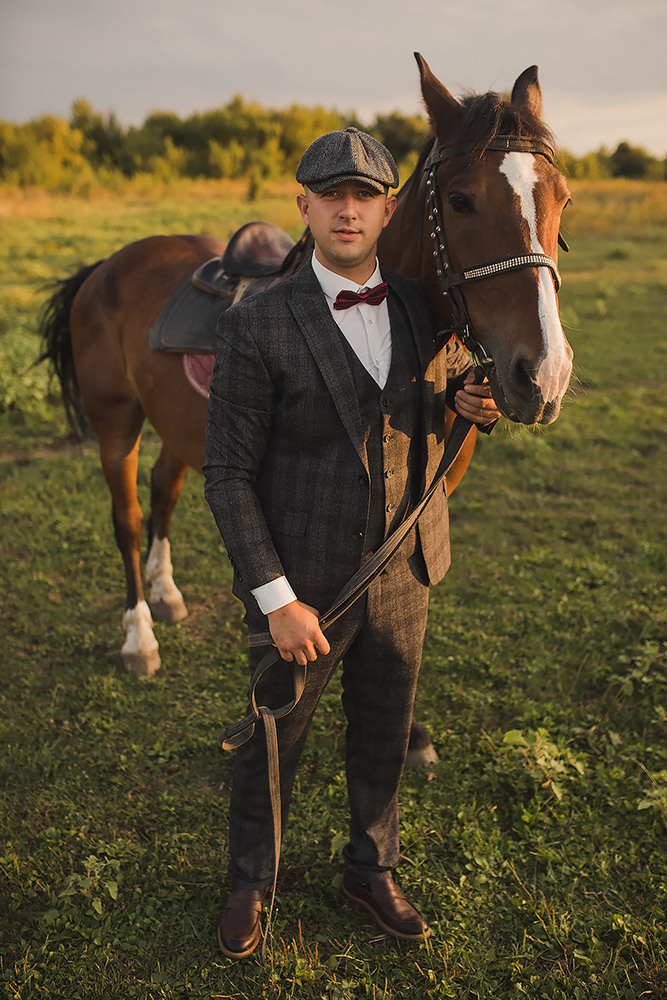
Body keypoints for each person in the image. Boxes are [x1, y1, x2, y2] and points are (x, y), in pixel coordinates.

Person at [204, 127, 500, 959]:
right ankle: (250, 880)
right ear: (303, 206)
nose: (346, 209)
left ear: (388, 208)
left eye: (364, 195)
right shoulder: (257, 325)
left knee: (384, 726)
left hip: (405, 569)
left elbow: (432, 402)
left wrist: (464, 401)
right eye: (329, 195)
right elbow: (225, 474)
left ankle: (371, 868)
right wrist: (276, 599)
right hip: (302, 586)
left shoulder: (420, 303)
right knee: (275, 738)